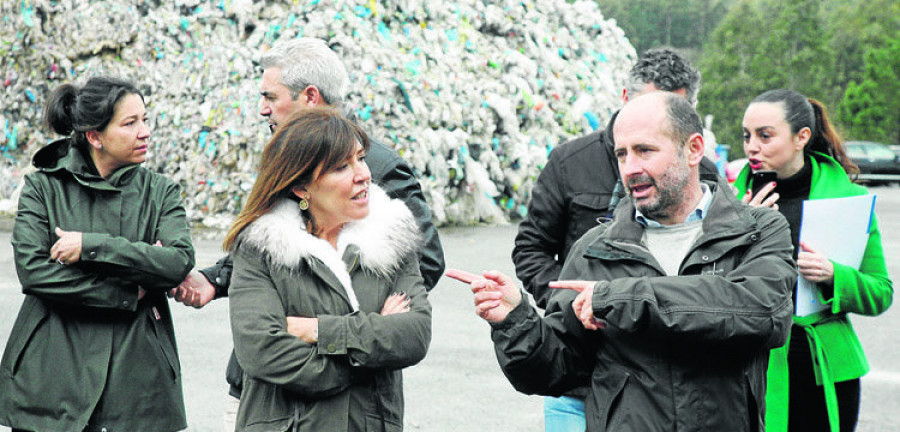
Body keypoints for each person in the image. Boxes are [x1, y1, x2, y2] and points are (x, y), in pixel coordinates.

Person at [471, 92, 796, 431]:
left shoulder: (757, 230)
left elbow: (762, 312)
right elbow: (556, 370)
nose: (630, 168)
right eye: (621, 154)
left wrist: (617, 299)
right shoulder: (594, 249)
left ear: (694, 149)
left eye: (645, 151)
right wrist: (515, 321)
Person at [169, 37, 445, 430]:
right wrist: (371, 338)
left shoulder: (381, 185)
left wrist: (322, 329)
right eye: (343, 166)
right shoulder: (269, 217)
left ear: (310, 95)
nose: (262, 108)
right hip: (277, 400)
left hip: (360, 410)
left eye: (270, 95)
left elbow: (423, 273)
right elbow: (263, 334)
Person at [511, 47, 724, 430]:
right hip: (577, 383)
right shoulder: (570, 162)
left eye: (673, 112)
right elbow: (531, 248)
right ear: (625, 98)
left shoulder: (703, 173)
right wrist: (572, 303)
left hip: (663, 379)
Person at [0, 77, 195, 431]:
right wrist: (126, 288)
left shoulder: (161, 192)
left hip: (138, 381)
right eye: (130, 123)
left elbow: (178, 262)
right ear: (95, 137)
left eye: (146, 119)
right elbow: (34, 271)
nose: (145, 132)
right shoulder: (43, 187)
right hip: (51, 376)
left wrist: (90, 246)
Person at [225, 107, 431, 431]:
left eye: (361, 158)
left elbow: (414, 334)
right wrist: (369, 353)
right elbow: (261, 351)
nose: (363, 174)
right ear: (301, 187)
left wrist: (316, 330)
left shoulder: (391, 239)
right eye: (341, 166)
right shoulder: (263, 247)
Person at [735, 89, 894, 432]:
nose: (751, 146)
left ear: (801, 137)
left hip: (826, 371)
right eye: (746, 136)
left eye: (765, 135)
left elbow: (880, 291)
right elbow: (707, 287)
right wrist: (743, 233)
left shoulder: (849, 199)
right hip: (749, 368)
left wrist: (834, 275)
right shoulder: (730, 202)